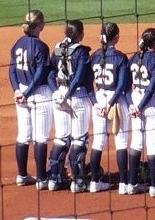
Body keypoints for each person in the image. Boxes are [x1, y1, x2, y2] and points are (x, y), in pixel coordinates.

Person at [46, 20, 95, 191]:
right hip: (77, 97)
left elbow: (50, 72)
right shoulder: (81, 52)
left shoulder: (59, 49)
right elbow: (79, 77)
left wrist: (56, 92)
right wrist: (67, 94)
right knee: (79, 138)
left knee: (61, 137)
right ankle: (78, 181)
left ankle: (54, 178)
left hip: (59, 96)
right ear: (80, 34)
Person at [9, 9, 54, 187]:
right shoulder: (41, 47)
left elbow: (11, 70)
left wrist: (17, 91)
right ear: (40, 25)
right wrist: (27, 93)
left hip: (20, 92)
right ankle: (42, 179)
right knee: (40, 137)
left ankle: (22, 175)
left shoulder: (17, 44)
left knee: (23, 135)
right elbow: (41, 72)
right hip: (38, 94)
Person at [125, 28, 155, 197]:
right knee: (153, 146)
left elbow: (126, 85)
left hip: (135, 102)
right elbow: (152, 88)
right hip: (152, 105)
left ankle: (132, 184)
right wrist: (141, 105)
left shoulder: (134, 58)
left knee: (136, 143)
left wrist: (132, 105)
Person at [86, 22, 130, 193]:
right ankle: (124, 184)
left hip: (98, 99)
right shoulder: (120, 57)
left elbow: (88, 85)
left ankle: (95, 181)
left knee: (98, 141)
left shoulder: (94, 56)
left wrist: (97, 104)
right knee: (121, 141)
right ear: (116, 38)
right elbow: (122, 86)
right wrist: (111, 104)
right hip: (116, 101)